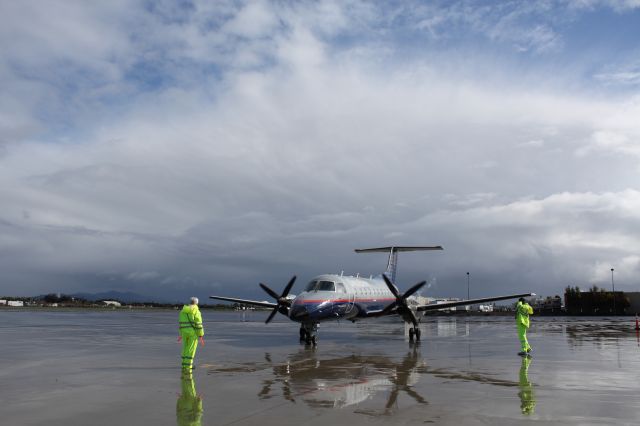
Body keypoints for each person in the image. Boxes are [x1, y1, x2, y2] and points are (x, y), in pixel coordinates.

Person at [178, 297, 205, 372]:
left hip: (184, 332)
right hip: (192, 333)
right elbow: (198, 324)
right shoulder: (196, 311)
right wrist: (201, 334)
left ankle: (184, 364)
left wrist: (180, 334)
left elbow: (180, 323)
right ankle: (188, 366)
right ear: (196, 303)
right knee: (191, 349)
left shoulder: (183, 311)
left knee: (185, 348)